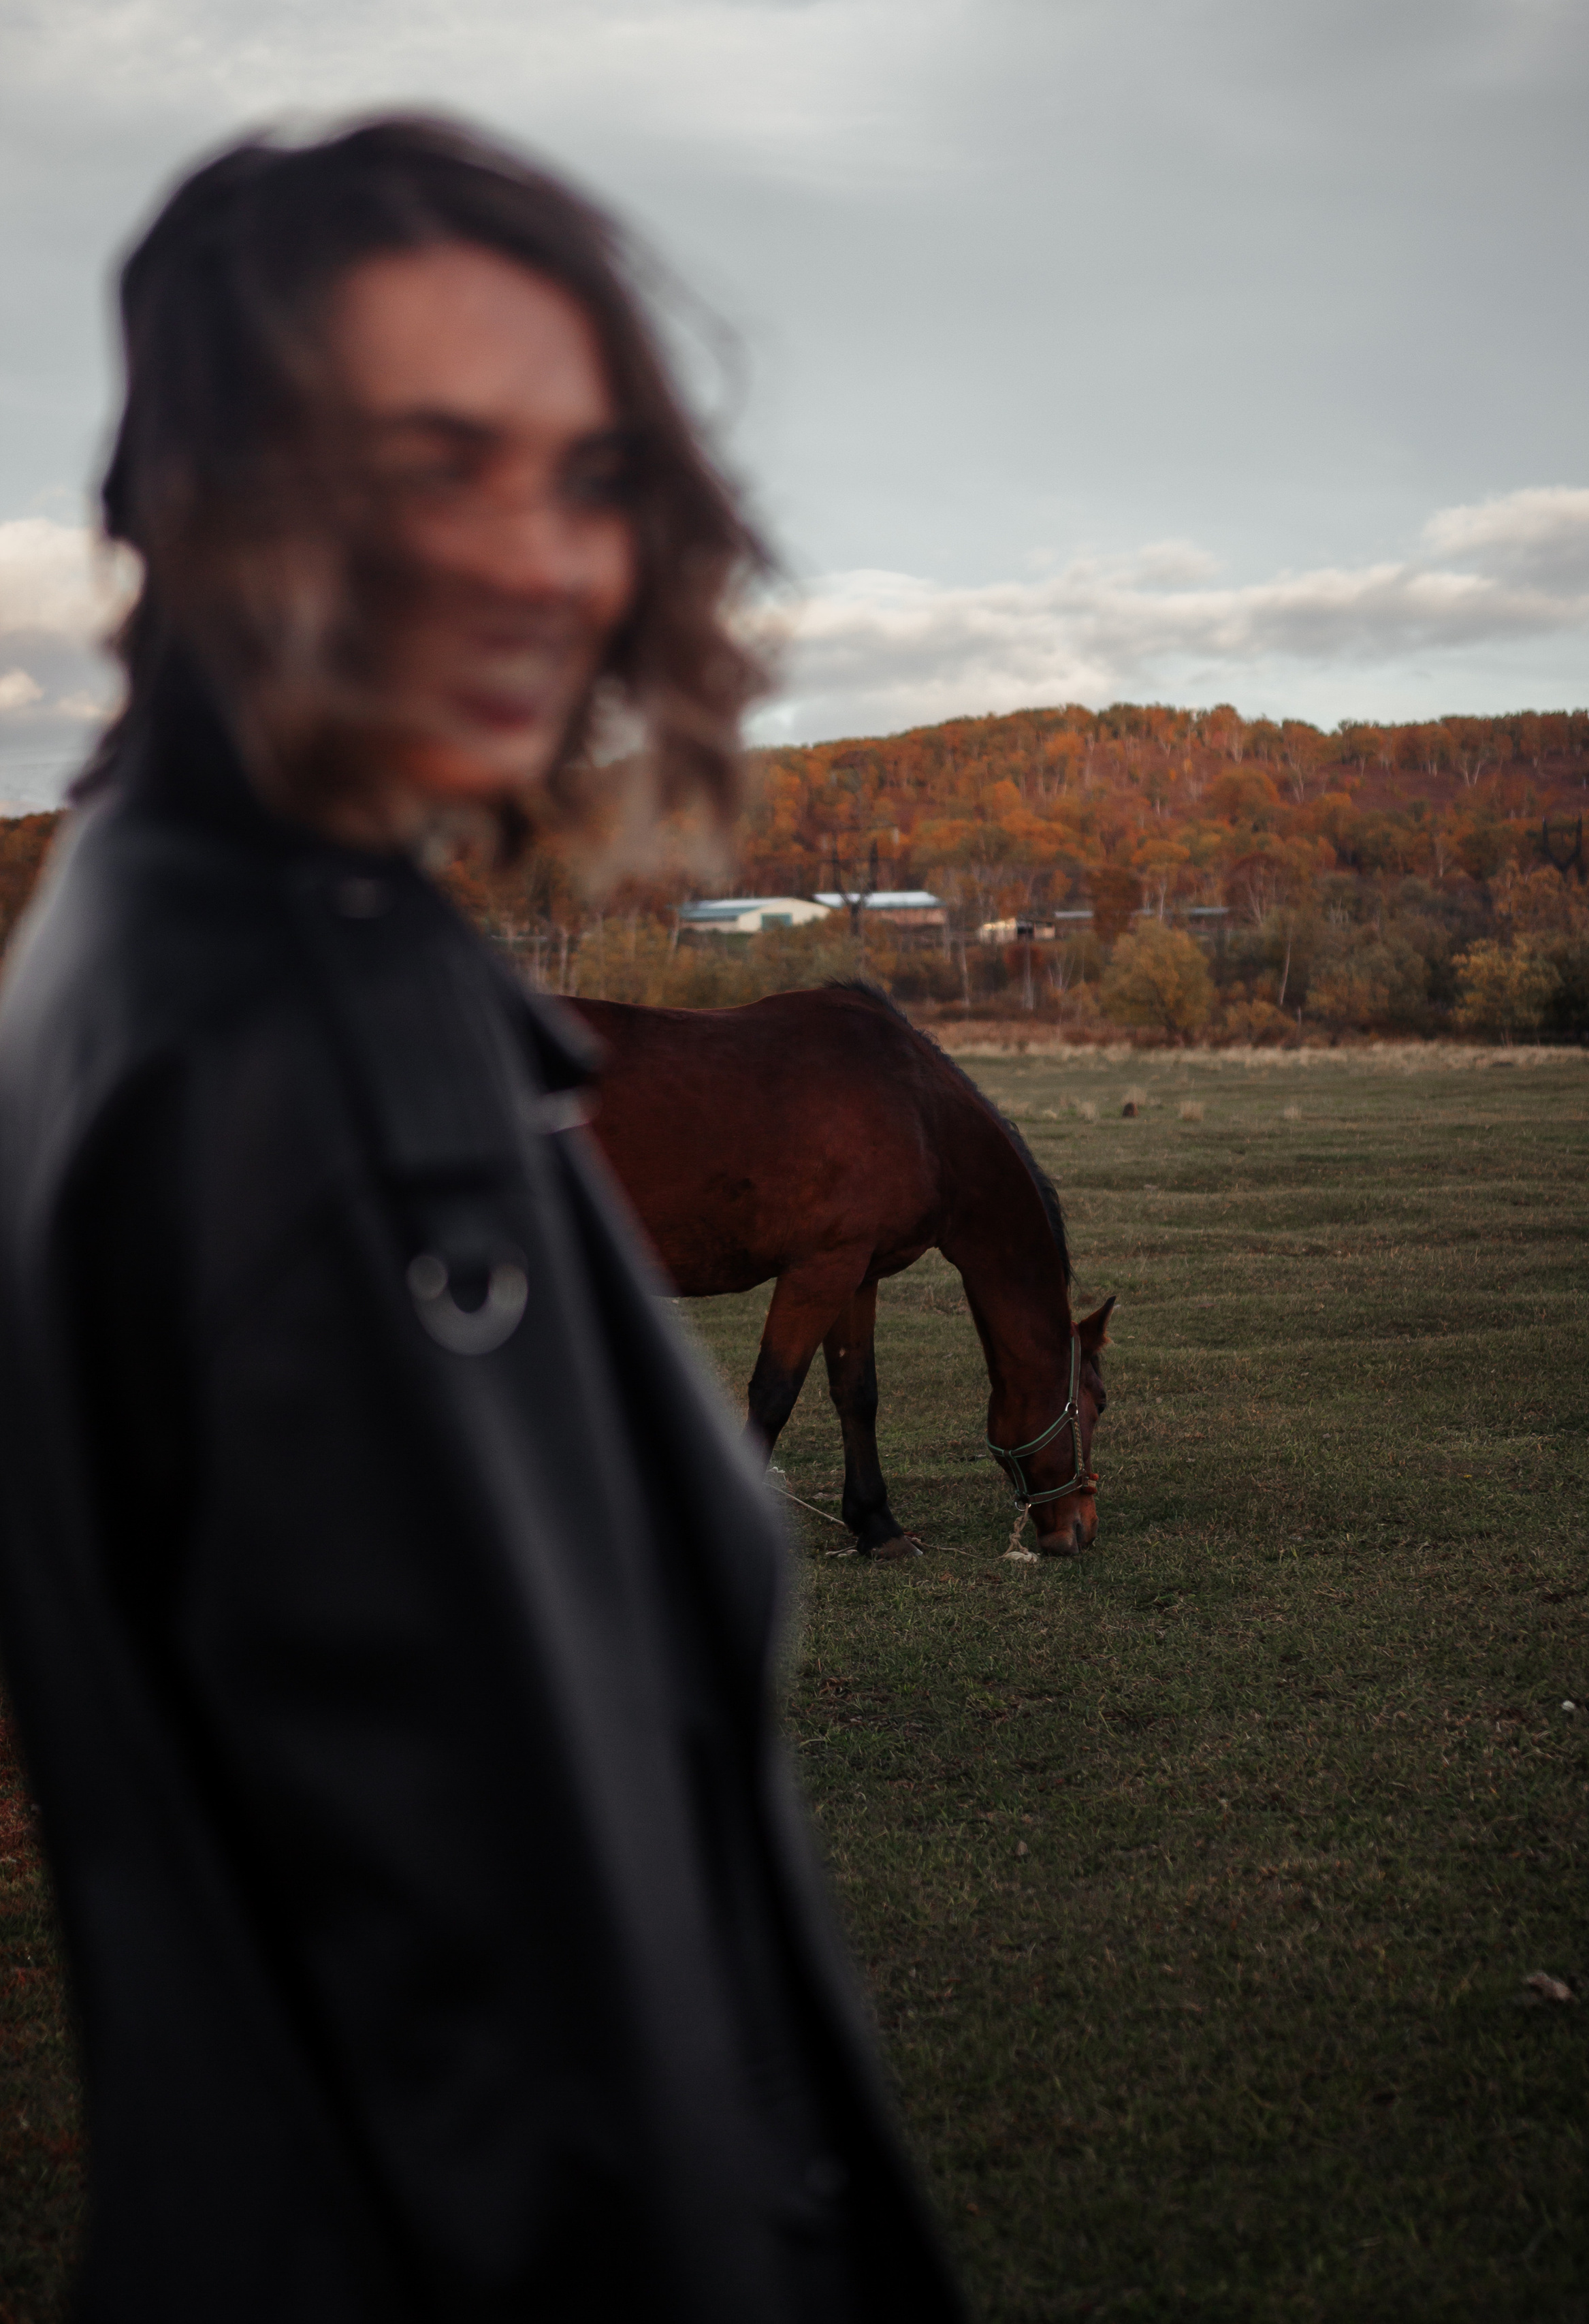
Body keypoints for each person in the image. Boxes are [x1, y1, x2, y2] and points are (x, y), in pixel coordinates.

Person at [0, 118, 964, 2323]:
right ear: (208, 495)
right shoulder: (301, 1045)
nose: (543, 558)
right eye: (437, 464)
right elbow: (492, 1943)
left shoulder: (174, 927)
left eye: (585, 472)